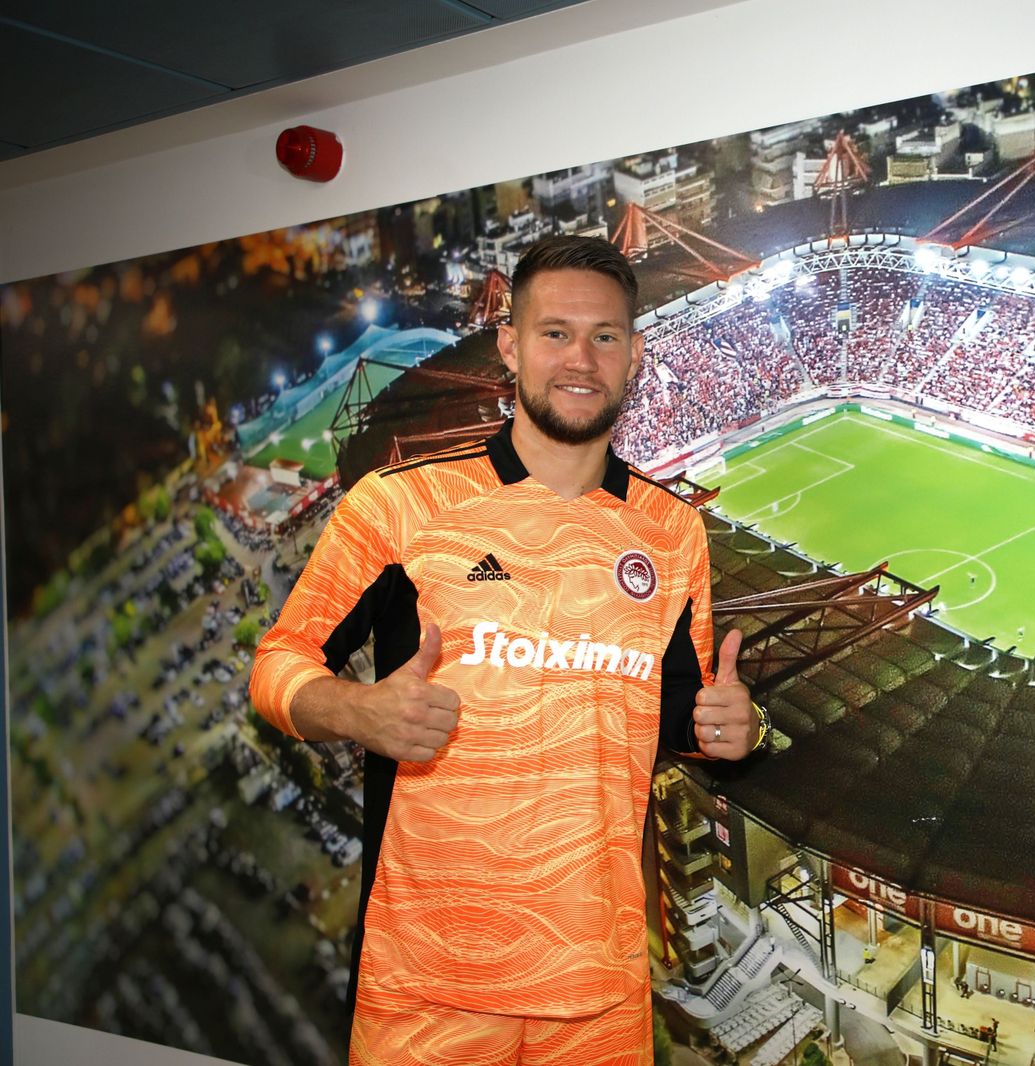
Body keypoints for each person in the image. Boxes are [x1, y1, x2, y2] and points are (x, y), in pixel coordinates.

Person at [250, 236, 769, 1066]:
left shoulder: (673, 534)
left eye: (604, 336)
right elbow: (277, 663)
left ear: (633, 355)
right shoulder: (401, 508)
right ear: (509, 344)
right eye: (554, 332)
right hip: (428, 990)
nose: (580, 358)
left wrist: (732, 730)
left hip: (599, 992)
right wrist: (356, 709)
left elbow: (677, 714)